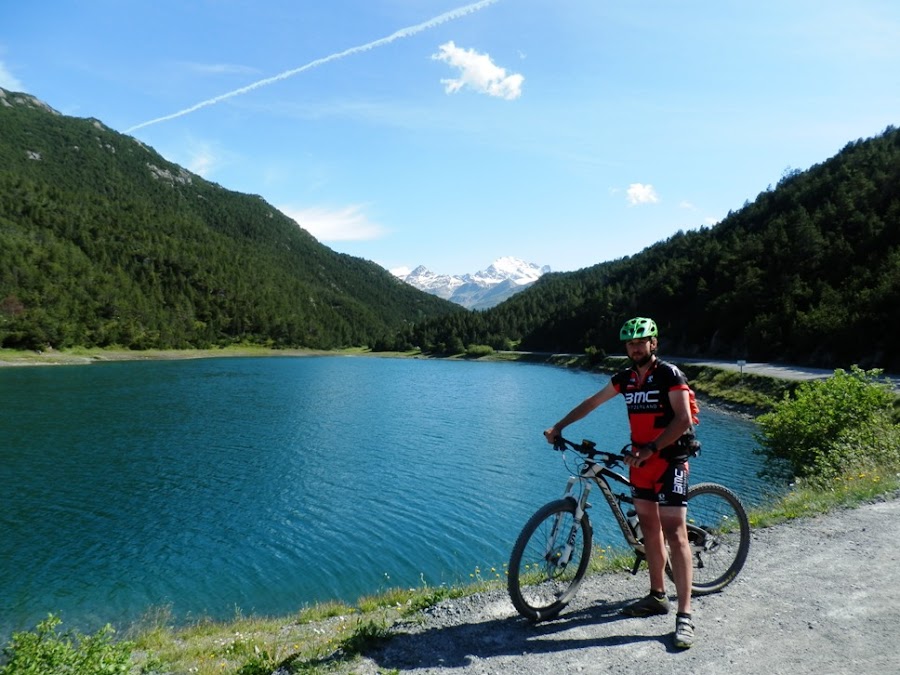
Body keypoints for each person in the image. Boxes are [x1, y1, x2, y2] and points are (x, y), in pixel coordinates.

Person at [543, 316, 697, 649]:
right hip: (640, 463)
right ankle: (658, 595)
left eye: (642, 342)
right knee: (649, 529)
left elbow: (683, 419)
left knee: (674, 531)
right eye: (630, 344)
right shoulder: (625, 378)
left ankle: (684, 616)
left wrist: (652, 448)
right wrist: (559, 426)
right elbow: (592, 403)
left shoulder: (669, 374)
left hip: (669, 460)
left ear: (654, 344)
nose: (636, 348)